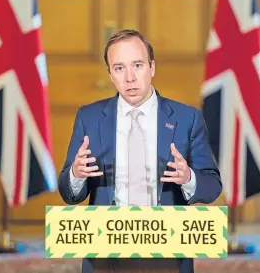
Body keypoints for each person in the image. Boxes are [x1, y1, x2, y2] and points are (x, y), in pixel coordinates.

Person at [58, 29, 222, 273]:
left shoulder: (187, 118)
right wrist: (76, 174)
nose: (130, 78)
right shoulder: (89, 118)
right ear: (110, 74)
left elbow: (212, 187)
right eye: (119, 68)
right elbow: (68, 193)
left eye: (137, 65)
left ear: (152, 68)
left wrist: (188, 177)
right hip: (106, 248)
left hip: (167, 249)